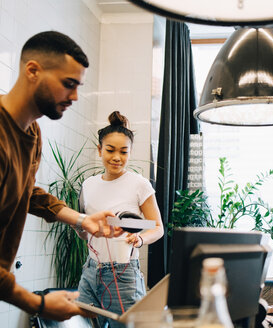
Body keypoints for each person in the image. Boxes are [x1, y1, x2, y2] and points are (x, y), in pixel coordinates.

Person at [0, 31, 123, 321]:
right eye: (68, 85)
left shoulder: (32, 133)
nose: (75, 97)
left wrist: (82, 220)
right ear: (33, 71)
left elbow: (26, 193)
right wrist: (38, 305)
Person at [76, 111, 164, 328]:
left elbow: (156, 227)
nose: (117, 157)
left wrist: (141, 239)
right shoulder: (88, 185)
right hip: (90, 271)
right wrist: (80, 227)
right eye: (110, 150)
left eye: (124, 152)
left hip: (123, 274)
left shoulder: (139, 184)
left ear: (130, 152)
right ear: (99, 150)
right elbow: (84, 230)